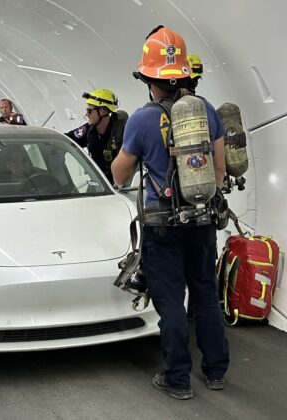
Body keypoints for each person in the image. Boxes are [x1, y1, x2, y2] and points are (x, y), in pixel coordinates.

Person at [111, 26, 229, 399]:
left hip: (163, 225)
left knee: (170, 302)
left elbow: (120, 173)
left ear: (149, 79)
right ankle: (216, 372)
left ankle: (177, 378)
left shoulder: (142, 120)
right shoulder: (206, 110)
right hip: (203, 219)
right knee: (206, 295)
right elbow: (222, 172)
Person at [65, 89, 127, 182]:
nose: (86, 114)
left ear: (102, 111)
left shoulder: (123, 132)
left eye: (89, 111)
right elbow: (66, 139)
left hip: (121, 185)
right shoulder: (89, 130)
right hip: (100, 184)